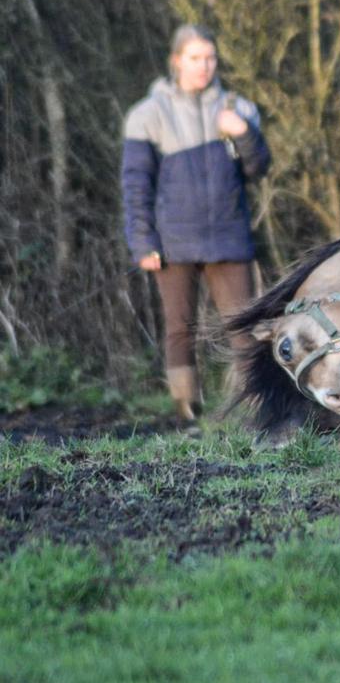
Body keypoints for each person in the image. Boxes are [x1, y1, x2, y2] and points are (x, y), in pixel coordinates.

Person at [120, 24, 271, 422]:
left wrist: (244, 134)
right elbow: (136, 186)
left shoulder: (239, 109)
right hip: (173, 242)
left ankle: (254, 408)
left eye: (210, 58)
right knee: (179, 329)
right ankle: (187, 414)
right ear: (176, 62)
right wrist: (142, 242)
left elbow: (259, 168)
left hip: (229, 238)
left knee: (243, 327)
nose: (204, 66)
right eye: (194, 58)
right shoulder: (147, 115)